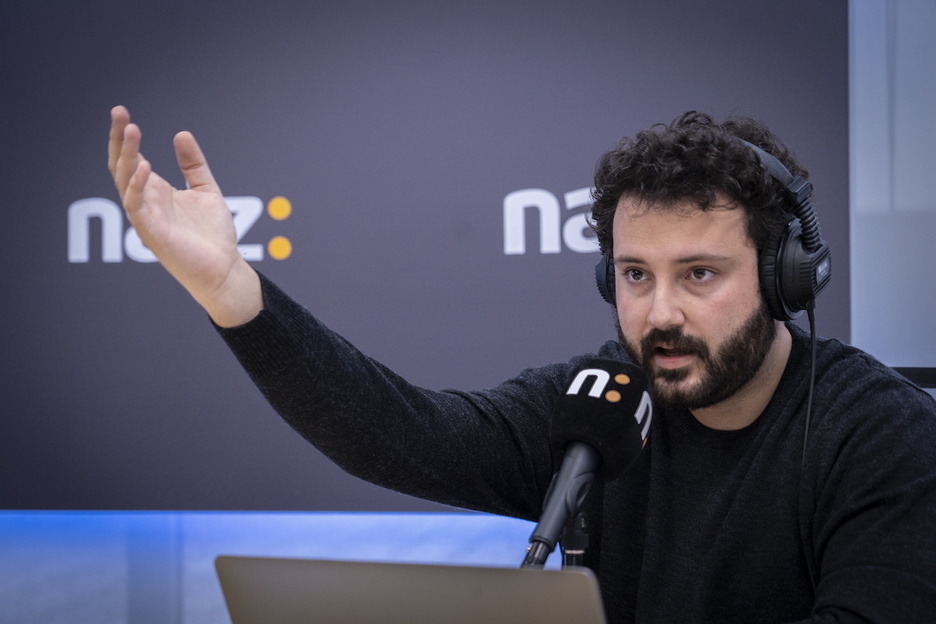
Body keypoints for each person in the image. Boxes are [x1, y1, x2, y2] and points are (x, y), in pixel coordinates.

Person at [108, 106, 936, 623]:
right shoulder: (603, 402)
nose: (660, 313)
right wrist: (231, 289)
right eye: (635, 275)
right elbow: (401, 432)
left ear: (786, 278)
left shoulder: (879, 434)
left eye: (699, 274)